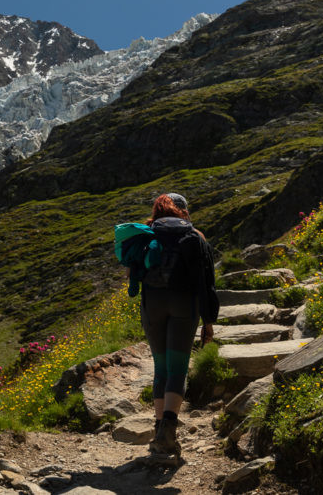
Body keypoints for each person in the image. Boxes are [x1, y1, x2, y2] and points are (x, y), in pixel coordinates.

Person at [137, 192, 218, 457]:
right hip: (185, 305)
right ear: (184, 211)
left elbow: (131, 272)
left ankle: (159, 428)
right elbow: (207, 283)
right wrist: (209, 321)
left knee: (161, 368)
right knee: (177, 369)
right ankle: (168, 434)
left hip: (152, 305)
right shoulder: (196, 236)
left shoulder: (146, 234)